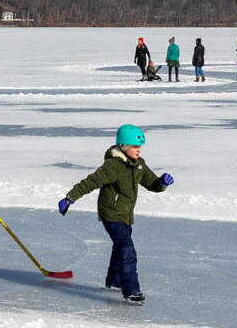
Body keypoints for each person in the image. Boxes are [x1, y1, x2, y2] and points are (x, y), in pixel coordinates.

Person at [57, 124, 172, 304]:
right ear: (123, 146)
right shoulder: (112, 166)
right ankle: (131, 290)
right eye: (135, 146)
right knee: (127, 249)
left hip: (125, 214)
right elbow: (90, 182)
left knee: (121, 247)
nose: (138, 150)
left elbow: (152, 183)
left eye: (140, 146)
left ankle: (115, 281)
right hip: (111, 214)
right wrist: (70, 198)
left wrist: (162, 183)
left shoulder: (139, 165)